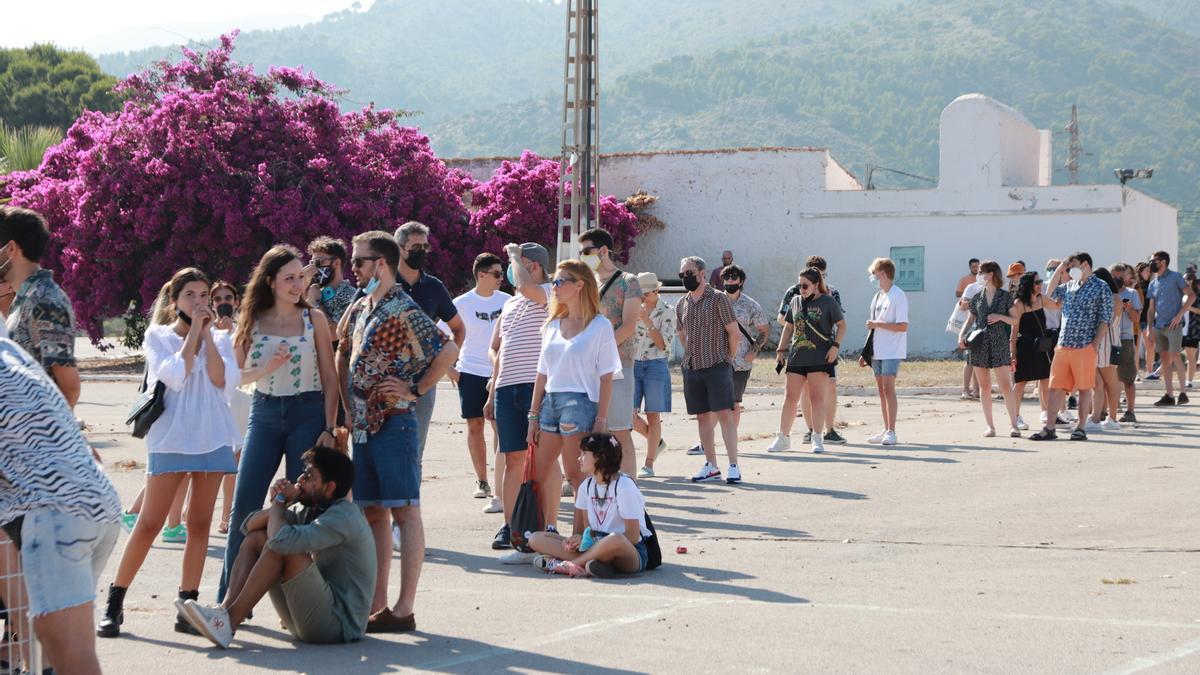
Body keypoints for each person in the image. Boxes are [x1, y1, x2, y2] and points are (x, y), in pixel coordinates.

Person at [99, 268, 241, 638]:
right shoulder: (158, 336)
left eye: (203, 295)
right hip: (171, 439)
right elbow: (176, 373)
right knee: (149, 523)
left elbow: (219, 380)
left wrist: (207, 335)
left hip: (212, 437)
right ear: (174, 300)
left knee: (199, 524)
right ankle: (115, 603)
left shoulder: (222, 339)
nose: (199, 302)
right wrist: (194, 331)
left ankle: (187, 606)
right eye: (190, 295)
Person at [339, 230, 457, 633]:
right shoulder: (364, 306)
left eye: (358, 261)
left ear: (381, 264)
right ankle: (378, 603)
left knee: (405, 511)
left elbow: (448, 348)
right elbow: (344, 352)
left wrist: (417, 388)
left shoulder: (402, 307)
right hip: (364, 426)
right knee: (373, 512)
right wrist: (346, 408)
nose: (353, 268)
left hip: (395, 422)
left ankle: (404, 609)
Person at [219, 245, 340, 603]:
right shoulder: (252, 320)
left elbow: (331, 378)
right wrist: (265, 369)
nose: (297, 284)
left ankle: (300, 599)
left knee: (298, 507)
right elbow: (234, 376)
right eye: (289, 278)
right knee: (244, 506)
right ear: (270, 282)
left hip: (308, 411)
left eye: (300, 277)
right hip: (265, 412)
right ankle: (228, 597)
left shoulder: (313, 318)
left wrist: (330, 428)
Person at [0, 337, 121, 674]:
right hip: (96, 505)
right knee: (58, 651)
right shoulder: (9, 351)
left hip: (56, 515)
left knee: (71, 657)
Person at [180, 447, 375, 649]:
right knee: (259, 538)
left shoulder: (344, 517)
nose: (301, 479)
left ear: (330, 487)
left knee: (279, 547)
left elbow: (281, 542)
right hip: (311, 619)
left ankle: (228, 623)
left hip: (339, 625)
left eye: (309, 476)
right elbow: (248, 527)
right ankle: (223, 611)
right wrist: (279, 503)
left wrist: (281, 502)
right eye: (304, 472)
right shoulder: (311, 507)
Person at [526, 259, 621, 527]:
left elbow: (606, 377)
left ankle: (581, 537)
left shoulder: (600, 326)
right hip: (550, 403)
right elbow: (541, 373)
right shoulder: (552, 324)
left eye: (559, 281)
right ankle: (543, 532)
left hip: (580, 403)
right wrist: (533, 415)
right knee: (538, 474)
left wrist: (601, 419)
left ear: (580, 285)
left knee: (576, 475)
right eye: (553, 281)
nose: (553, 286)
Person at [485, 242, 552, 558]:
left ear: (534, 266)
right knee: (511, 458)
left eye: (518, 264)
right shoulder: (511, 305)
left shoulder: (548, 293)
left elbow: (526, 285)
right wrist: (491, 389)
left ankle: (545, 526)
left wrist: (512, 253)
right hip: (506, 388)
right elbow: (497, 347)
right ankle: (510, 525)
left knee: (541, 459)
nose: (512, 272)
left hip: (533, 387)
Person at [526, 433, 652, 578]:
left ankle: (570, 565)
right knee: (535, 538)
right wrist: (576, 539)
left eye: (585, 453)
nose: (579, 458)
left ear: (601, 457)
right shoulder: (586, 486)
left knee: (614, 539)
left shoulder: (624, 487)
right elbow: (584, 531)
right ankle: (594, 566)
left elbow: (632, 537)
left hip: (628, 552)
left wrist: (597, 540)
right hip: (593, 546)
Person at [394, 221, 466, 459]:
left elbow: (458, 328)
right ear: (399, 248)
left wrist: (444, 364)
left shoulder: (434, 287)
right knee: (382, 448)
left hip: (424, 382)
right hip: (385, 379)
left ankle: (410, 497)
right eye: (415, 246)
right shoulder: (383, 283)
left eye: (425, 247)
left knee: (415, 449)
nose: (421, 252)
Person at [0, 206, 81, 408]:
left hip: (38, 437)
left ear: (11, 249)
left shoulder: (45, 300)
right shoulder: (25, 298)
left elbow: (69, 389)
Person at [578, 228, 643, 479]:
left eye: (586, 251)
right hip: (587, 368)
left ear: (603, 251)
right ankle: (590, 484)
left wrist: (599, 352)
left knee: (619, 430)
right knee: (588, 430)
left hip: (617, 365)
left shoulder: (629, 281)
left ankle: (629, 489)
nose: (582, 256)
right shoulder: (587, 284)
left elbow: (629, 325)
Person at [1031, 253, 1113, 442]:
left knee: (1084, 388)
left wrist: (1094, 345)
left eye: (1072, 266)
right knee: (1055, 387)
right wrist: (1060, 269)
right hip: (1063, 344)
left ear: (1085, 264)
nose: (1069, 270)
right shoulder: (1069, 285)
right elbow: (1049, 295)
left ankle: (1081, 427)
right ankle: (1049, 428)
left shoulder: (1101, 287)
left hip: (1085, 346)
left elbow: (1105, 319)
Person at [451, 253, 511, 504]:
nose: (501, 279)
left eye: (502, 273)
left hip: (501, 372)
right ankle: (482, 481)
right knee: (475, 426)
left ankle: (504, 481)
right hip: (471, 372)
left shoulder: (508, 301)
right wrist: (449, 368)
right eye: (497, 274)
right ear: (481, 275)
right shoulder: (461, 303)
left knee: (501, 427)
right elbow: (441, 336)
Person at [676, 256, 742, 481]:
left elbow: (734, 333)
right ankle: (711, 466)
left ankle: (733, 465)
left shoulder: (718, 299)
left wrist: (728, 358)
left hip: (717, 365)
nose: (686, 278)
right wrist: (691, 355)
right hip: (692, 367)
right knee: (702, 418)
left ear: (702, 274)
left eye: (689, 273)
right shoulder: (681, 303)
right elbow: (682, 334)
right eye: (682, 274)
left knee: (725, 414)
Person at [773, 255, 845, 446]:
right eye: (800, 285)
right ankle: (783, 437)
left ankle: (817, 438)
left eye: (805, 286)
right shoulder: (795, 300)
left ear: (815, 284)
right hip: (797, 356)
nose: (801, 289)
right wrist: (781, 350)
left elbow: (842, 325)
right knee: (790, 397)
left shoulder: (829, 301)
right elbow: (788, 326)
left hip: (819, 356)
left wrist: (835, 347)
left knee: (817, 398)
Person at [957, 260, 1021, 438]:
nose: (979, 276)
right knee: (984, 387)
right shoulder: (977, 297)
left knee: (1005, 386)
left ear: (991, 274)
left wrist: (1000, 317)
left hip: (1000, 343)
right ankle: (990, 426)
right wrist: (961, 335)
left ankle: (1014, 425)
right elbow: (970, 320)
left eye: (981, 273)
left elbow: (1015, 320)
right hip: (980, 345)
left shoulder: (1005, 296)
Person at [212, 280, 250, 534]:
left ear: (236, 302)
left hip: (237, 401)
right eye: (218, 299)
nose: (223, 302)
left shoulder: (242, 331)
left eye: (228, 297)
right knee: (206, 461)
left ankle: (227, 515)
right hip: (212, 402)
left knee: (232, 462)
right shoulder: (204, 331)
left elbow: (240, 367)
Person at [631, 272, 675, 479]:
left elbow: (664, 345)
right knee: (627, 414)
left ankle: (649, 464)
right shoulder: (632, 308)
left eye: (645, 294)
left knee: (653, 414)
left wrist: (647, 321)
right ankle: (656, 442)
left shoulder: (667, 312)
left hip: (655, 364)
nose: (641, 298)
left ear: (656, 291)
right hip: (633, 364)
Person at [859, 258, 908, 446]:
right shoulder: (878, 296)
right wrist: (865, 352)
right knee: (881, 391)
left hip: (892, 351)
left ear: (883, 274)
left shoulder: (898, 295)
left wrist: (878, 324)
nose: (872, 277)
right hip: (877, 350)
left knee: (889, 389)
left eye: (875, 273)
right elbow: (872, 327)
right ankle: (885, 428)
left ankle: (892, 431)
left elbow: (903, 326)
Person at [721, 265, 769, 432]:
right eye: (726, 277)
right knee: (714, 403)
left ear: (741, 281)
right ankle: (706, 442)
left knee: (733, 403)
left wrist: (753, 351)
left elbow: (764, 329)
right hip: (717, 358)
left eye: (734, 277)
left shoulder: (750, 304)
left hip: (740, 361)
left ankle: (731, 438)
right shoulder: (716, 301)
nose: (730, 281)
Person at [1147, 250, 1195, 406]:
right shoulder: (1153, 283)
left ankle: (1183, 393)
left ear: (1163, 261)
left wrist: (1180, 314)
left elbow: (1191, 295)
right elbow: (1151, 308)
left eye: (1154, 260)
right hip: (1159, 325)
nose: (1152, 263)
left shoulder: (1175, 277)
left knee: (1175, 356)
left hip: (1173, 325)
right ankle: (1169, 395)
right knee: (1165, 359)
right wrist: (1150, 327)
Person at [1009, 271, 1053, 429]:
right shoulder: (1019, 303)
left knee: (1045, 379)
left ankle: (1047, 413)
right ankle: (1015, 417)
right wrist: (1012, 354)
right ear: (1028, 285)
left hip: (1041, 346)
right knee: (1021, 382)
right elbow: (1014, 331)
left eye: (1040, 281)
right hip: (1025, 346)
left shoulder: (1041, 299)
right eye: (1037, 282)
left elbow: (1057, 305)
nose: (1040, 285)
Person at [1085, 268, 1124, 432]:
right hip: (1097, 344)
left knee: (1110, 383)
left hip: (1108, 344)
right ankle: (1095, 417)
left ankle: (1113, 418)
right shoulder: (1102, 297)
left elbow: (1107, 321)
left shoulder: (1115, 298)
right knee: (1097, 383)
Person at [304, 236, 358, 336]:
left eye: (318, 262)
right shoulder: (314, 292)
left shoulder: (350, 295)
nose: (314, 267)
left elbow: (334, 333)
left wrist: (316, 303)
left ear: (336, 263)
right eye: (312, 263)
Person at [1113, 264, 1143, 423]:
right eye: (1114, 276)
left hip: (1125, 338)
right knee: (1109, 377)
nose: (1116, 279)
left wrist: (1129, 308)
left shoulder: (1131, 294)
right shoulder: (1105, 292)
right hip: (1108, 338)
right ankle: (1108, 410)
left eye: (1119, 276)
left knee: (1128, 378)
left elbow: (1137, 319)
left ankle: (1130, 411)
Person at [1137, 262, 1159, 380]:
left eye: (1148, 271)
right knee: (1135, 348)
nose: (1147, 273)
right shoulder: (1135, 285)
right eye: (1145, 271)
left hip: (1147, 319)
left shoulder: (1152, 285)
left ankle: (1149, 372)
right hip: (1135, 318)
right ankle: (1135, 373)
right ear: (1140, 272)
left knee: (1150, 345)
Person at [1184, 272, 1200, 389]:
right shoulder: (1182, 294)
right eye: (1185, 279)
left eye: (1189, 279)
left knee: (1191, 356)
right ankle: (1156, 374)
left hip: (1192, 329)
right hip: (1180, 328)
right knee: (1170, 353)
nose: (1187, 281)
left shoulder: (1197, 295)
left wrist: (1187, 307)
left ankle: (1189, 380)